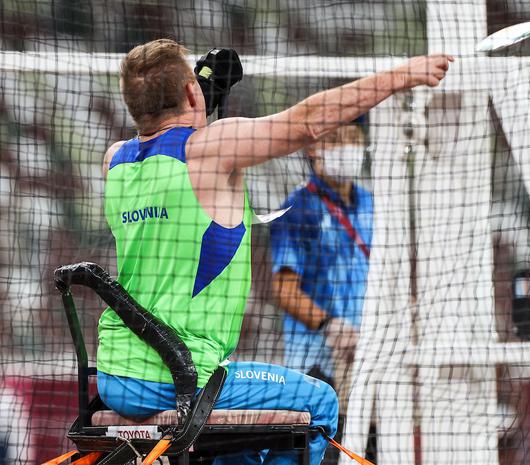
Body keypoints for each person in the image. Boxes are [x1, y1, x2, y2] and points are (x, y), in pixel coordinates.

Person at [96, 38, 452, 465]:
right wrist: (404, 74)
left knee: (242, 449)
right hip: (177, 376)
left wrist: (196, 107)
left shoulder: (115, 161)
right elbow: (307, 122)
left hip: (115, 373)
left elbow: (166, 150)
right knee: (319, 402)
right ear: (191, 92)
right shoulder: (211, 150)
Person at [270, 119, 371, 418]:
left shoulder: (373, 204)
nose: (348, 147)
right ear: (314, 148)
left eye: (354, 138)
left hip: (369, 360)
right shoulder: (296, 209)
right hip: (315, 364)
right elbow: (284, 290)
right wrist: (331, 327)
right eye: (337, 138)